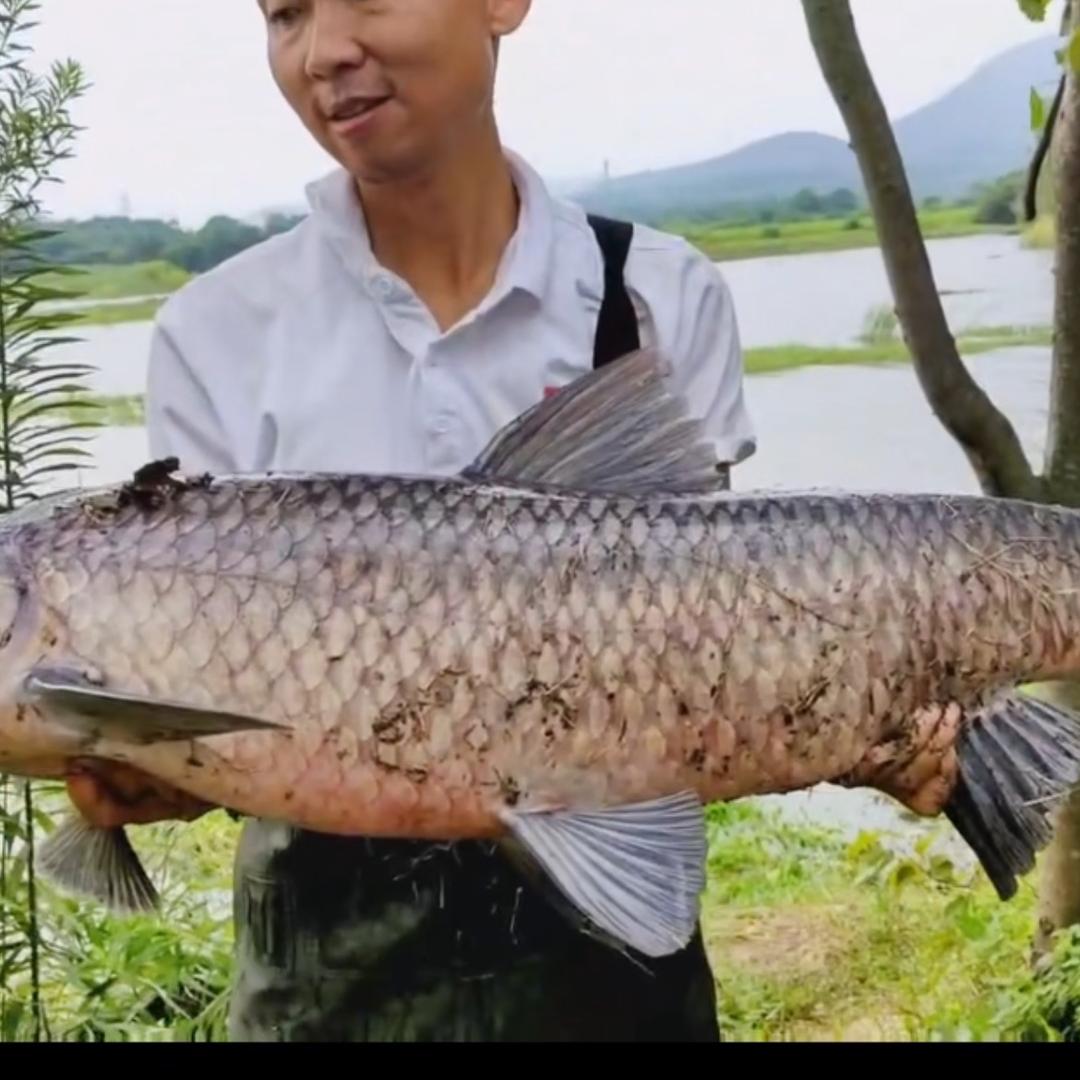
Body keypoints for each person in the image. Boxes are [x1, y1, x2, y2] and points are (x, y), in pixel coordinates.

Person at [70, 0, 757, 1042]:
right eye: (284, 14)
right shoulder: (217, 332)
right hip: (326, 971)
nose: (324, 51)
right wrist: (166, 768)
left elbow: (708, 650)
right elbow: (212, 705)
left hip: (612, 962)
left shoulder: (654, 294)